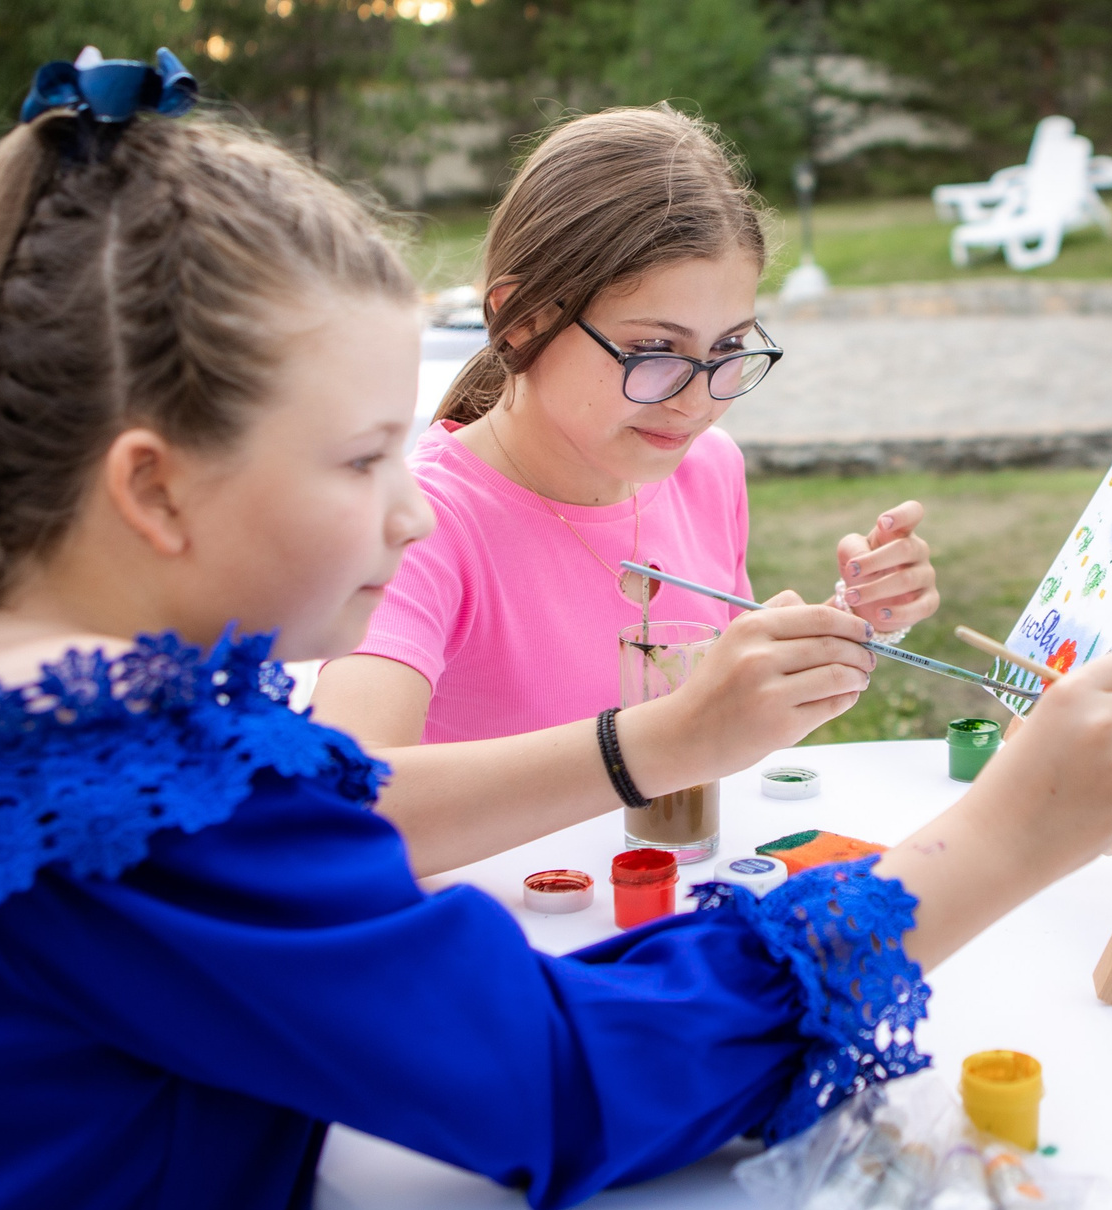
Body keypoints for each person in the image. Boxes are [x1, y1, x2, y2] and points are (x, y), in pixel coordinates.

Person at [0, 53, 1112, 1210]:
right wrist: (1003, 834)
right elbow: (565, 1075)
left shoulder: (5, 718)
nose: (414, 507)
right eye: (368, 456)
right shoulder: (121, 795)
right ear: (155, 486)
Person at [311, 107, 944, 872]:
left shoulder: (706, 470)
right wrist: (655, 742)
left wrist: (841, 628)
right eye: (653, 350)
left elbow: (710, 740)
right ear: (519, 320)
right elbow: (336, 815)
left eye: (729, 347)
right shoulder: (419, 523)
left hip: (659, 916)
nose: (697, 401)